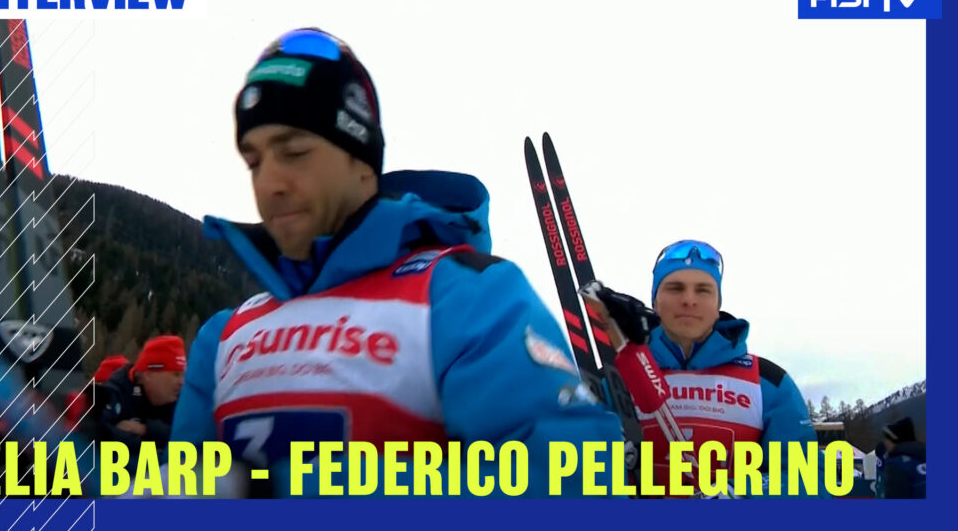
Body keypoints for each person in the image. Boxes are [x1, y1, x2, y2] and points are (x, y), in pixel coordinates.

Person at [169, 27, 624, 498]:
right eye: (254, 162)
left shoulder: (467, 296)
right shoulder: (224, 335)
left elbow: (575, 480)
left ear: (362, 161)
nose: (270, 184)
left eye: (295, 153)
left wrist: (296, 493)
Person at [593, 239, 829, 498]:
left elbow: (810, 480)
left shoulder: (768, 382)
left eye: (703, 290)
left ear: (718, 304)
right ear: (655, 302)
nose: (689, 300)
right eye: (675, 288)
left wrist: (740, 494)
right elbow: (570, 475)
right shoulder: (612, 381)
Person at [97, 336, 186, 464]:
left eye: (183, 375)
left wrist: (145, 429)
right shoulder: (116, 393)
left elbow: (190, 439)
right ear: (149, 374)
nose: (181, 382)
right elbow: (98, 434)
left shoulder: (178, 400)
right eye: (175, 374)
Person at [881, 417, 925, 498]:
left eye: (887, 439)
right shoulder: (923, 456)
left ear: (894, 440)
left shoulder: (896, 465)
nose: (885, 443)